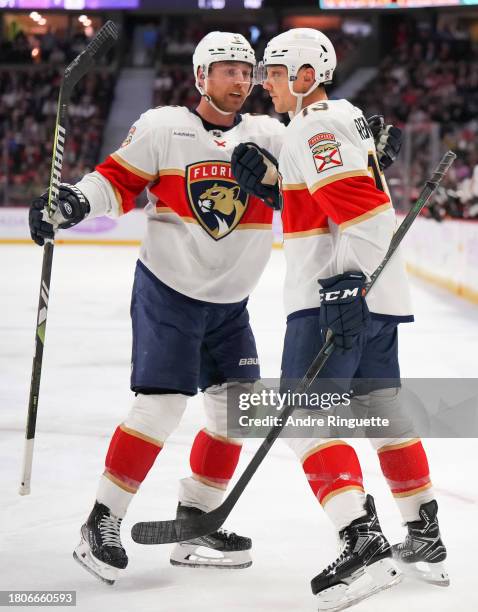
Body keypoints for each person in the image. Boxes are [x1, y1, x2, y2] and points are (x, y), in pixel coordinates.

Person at [29, 29, 401, 587]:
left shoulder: (269, 133)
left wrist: (366, 140)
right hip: (169, 291)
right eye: (227, 69)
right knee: (159, 409)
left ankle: (196, 521)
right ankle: (100, 522)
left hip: (230, 305)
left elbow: (317, 146)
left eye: (248, 69)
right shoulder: (162, 127)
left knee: (233, 416)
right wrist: (75, 200)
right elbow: (114, 182)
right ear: (200, 76)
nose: (241, 79)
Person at [231, 28, 448, 612]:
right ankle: (423, 534)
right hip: (370, 291)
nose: (265, 84)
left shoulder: (312, 124)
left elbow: (364, 210)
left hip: (335, 294)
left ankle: (363, 544)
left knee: (304, 423)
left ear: (307, 74)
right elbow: (331, 201)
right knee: (381, 410)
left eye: (275, 73)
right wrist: (281, 190)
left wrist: (346, 286)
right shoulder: (342, 118)